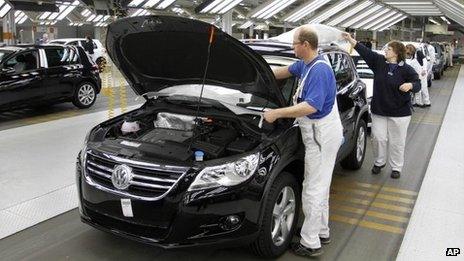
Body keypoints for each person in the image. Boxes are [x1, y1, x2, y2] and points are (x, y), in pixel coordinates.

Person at [264, 25, 343, 257]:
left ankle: (310, 243)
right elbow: (283, 71)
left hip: (321, 135)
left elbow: (311, 106)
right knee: (320, 184)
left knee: (312, 188)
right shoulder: (307, 64)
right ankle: (321, 230)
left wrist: (276, 113)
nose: (292, 47)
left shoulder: (319, 71)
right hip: (319, 133)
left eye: (294, 44)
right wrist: (256, 71)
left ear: (306, 45)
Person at [342, 33, 421, 179]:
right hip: (380, 111)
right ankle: (379, 162)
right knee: (378, 138)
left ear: (396, 53)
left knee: (397, 142)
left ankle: (396, 167)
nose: (385, 51)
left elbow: (418, 84)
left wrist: (410, 85)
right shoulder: (379, 62)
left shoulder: (407, 70)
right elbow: (364, 51)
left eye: (388, 49)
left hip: (400, 113)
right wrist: (350, 39)